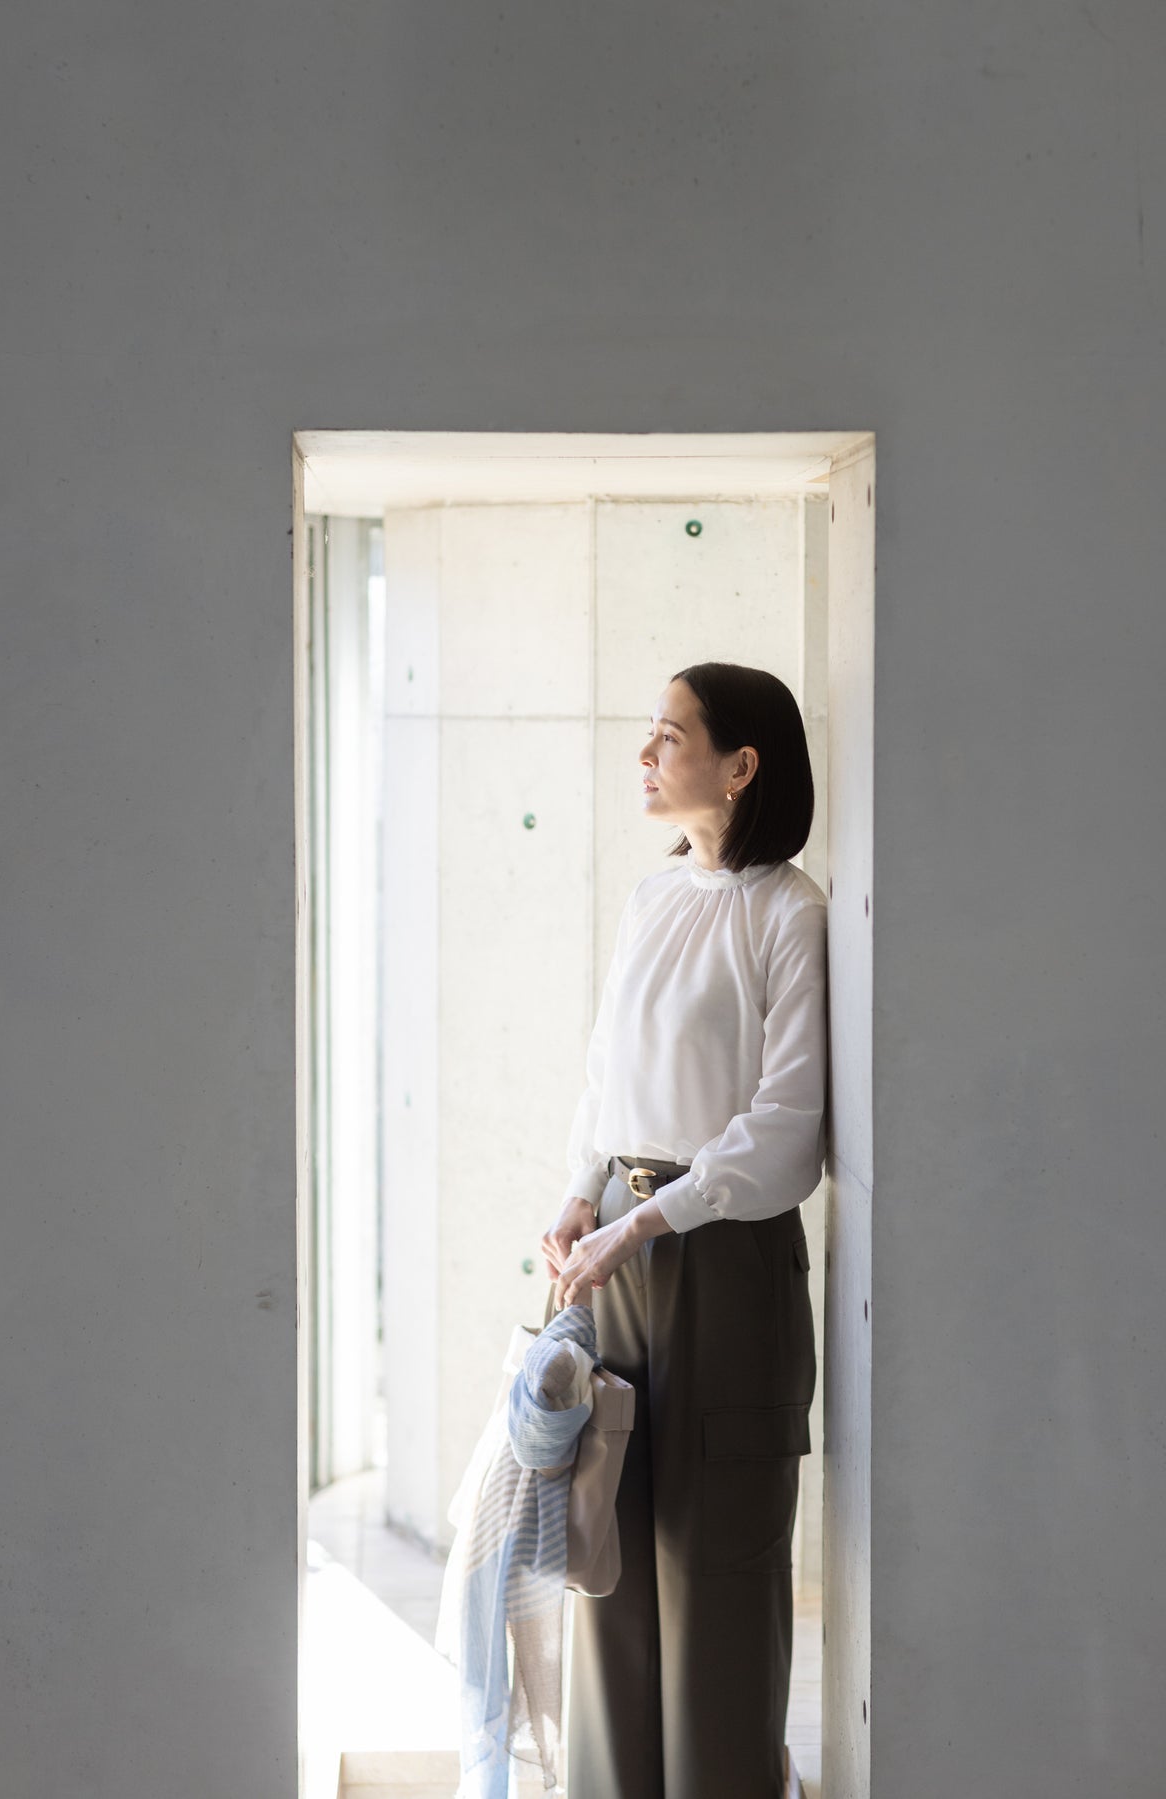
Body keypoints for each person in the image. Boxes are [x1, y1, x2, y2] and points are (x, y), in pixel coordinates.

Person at [540, 660, 828, 1799]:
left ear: (741, 765)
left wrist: (645, 1220)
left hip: (723, 1256)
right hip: (621, 1238)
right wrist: (582, 1194)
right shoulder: (652, 898)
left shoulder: (791, 911)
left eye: (669, 735)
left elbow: (787, 1127)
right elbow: (605, 1071)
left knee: (717, 1574)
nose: (647, 753)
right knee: (604, 1554)